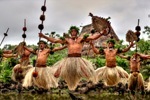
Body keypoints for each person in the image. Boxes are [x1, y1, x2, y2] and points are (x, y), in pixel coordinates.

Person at [39, 26, 109, 90]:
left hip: (79, 60)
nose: (73, 33)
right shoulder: (67, 40)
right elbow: (54, 40)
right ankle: (59, 82)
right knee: (56, 74)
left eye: (75, 31)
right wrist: (44, 36)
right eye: (72, 32)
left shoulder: (81, 39)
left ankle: (85, 84)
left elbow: (93, 37)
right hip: (68, 60)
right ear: (70, 33)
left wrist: (102, 33)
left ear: (77, 33)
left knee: (88, 75)